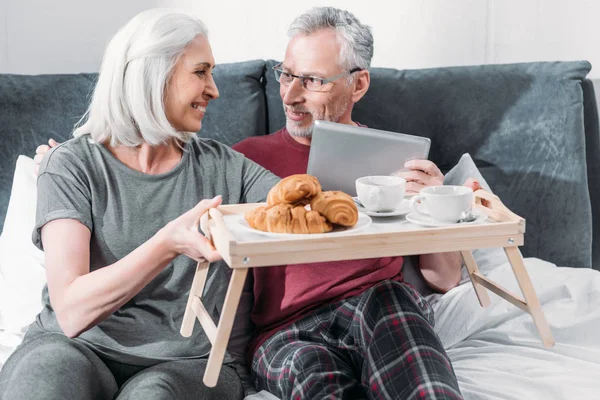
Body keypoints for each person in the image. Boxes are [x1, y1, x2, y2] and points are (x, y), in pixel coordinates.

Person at [1, 9, 279, 400]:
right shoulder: (71, 165)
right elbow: (72, 311)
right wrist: (168, 243)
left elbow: (301, 203)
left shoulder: (225, 167)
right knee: (45, 382)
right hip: (72, 347)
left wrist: (386, 186)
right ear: (155, 75)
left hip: (186, 363)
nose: (214, 90)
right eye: (200, 72)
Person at [231, 7, 467, 399]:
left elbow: (444, 279)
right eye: (286, 74)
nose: (290, 95)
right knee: (314, 376)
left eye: (312, 80)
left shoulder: (398, 159)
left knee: (400, 324)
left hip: (380, 303)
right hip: (285, 331)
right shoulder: (242, 160)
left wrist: (436, 204)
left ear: (357, 85)